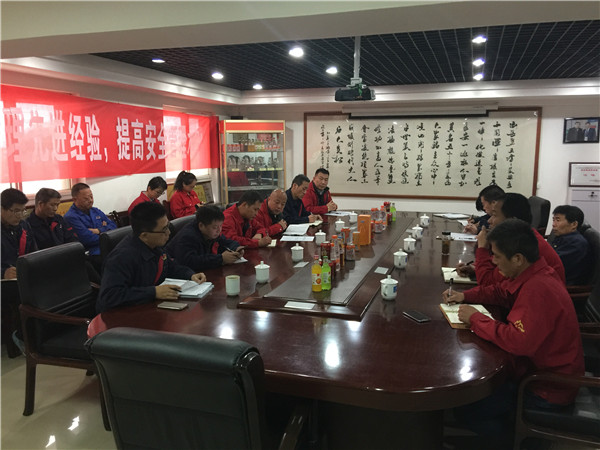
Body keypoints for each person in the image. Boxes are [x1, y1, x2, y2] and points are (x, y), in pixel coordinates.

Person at [444, 219, 584, 446]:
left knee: (467, 410)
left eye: (497, 256)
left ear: (517, 258)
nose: (493, 261)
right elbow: (501, 292)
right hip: (535, 371)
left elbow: (518, 342)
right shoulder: (534, 273)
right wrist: (465, 296)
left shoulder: (538, 289)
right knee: (470, 400)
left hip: (547, 387)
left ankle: (512, 440)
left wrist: (475, 318)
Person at [97, 202, 206, 313]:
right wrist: (153, 292)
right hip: (122, 316)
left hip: (148, 308)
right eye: (164, 229)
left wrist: (190, 275)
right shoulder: (121, 257)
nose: (168, 232)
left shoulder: (155, 245)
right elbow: (110, 296)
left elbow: (171, 267)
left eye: (168, 226)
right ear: (144, 235)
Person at [457, 193, 566, 287]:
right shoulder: (520, 235)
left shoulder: (522, 244)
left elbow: (487, 283)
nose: (489, 221)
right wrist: (475, 269)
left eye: (494, 215)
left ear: (512, 220)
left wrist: (482, 249)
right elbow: (496, 272)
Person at [166, 205, 245, 271]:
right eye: (215, 227)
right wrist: (221, 259)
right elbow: (190, 261)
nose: (219, 230)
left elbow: (225, 241)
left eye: (221, 226)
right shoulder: (188, 236)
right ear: (201, 225)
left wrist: (236, 248)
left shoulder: (211, 233)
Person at [64, 183, 116, 272]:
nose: (90, 200)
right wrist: (106, 231)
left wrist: (98, 230)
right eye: (86, 198)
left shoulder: (95, 211)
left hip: (108, 247)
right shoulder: (71, 217)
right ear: (75, 199)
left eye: (91, 197)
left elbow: (114, 226)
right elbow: (87, 239)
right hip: (92, 253)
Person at [1, 188, 37, 279]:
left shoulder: (24, 226)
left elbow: (34, 253)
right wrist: (3, 273)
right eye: (16, 211)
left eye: (23, 211)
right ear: (1, 209)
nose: (20, 216)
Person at [551, 205, 591, 285]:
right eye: (553, 220)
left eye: (558, 220)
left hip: (562, 285)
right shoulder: (563, 237)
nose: (553, 224)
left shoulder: (576, 244)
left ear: (574, 224)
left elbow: (553, 264)